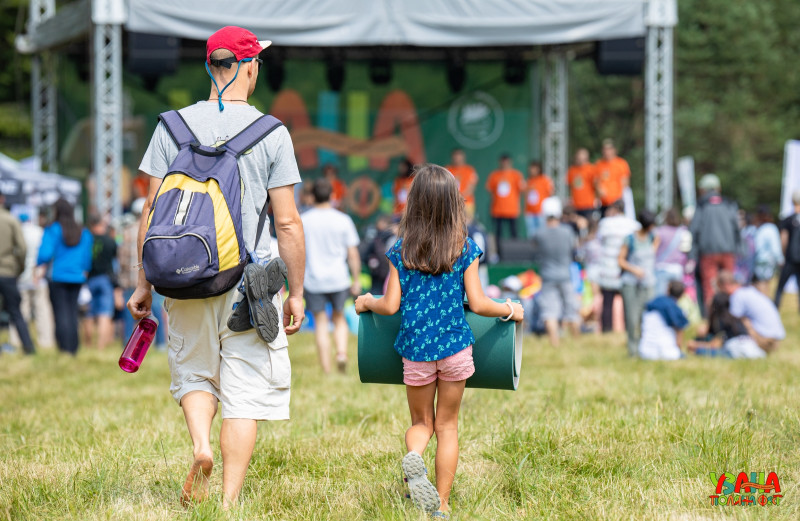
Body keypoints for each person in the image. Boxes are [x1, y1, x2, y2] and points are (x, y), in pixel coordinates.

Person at [127, 26, 306, 509]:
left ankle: (201, 447)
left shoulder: (171, 126)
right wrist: (297, 293)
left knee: (195, 374)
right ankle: (227, 503)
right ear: (250, 67)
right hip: (246, 285)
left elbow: (150, 212)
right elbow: (287, 223)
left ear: (210, 66)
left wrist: (145, 283)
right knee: (244, 391)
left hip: (181, 280)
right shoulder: (272, 133)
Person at [355, 164, 524, 518]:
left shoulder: (401, 249)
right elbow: (478, 303)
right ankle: (442, 504)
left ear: (413, 203)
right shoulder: (465, 247)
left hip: (415, 351)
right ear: (454, 204)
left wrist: (366, 302)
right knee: (447, 426)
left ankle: (414, 457)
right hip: (455, 349)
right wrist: (509, 309)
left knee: (422, 424)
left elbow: (390, 306)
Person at [302, 178, 361, 374]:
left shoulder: (304, 220)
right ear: (333, 196)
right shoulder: (343, 220)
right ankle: (342, 353)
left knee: (320, 322)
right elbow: (352, 253)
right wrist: (357, 279)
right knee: (339, 318)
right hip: (339, 278)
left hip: (313, 280)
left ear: (311, 198)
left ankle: (327, 370)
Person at [37, 198, 93, 355]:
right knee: (73, 313)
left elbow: (45, 254)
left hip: (57, 277)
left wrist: (39, 262)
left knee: (60, 313)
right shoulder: (83, 231)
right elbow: (87, 257)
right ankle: (74, 348)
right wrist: (84, 270)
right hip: (77, 277)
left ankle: (64, 348)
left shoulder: (53, 229)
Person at [689, 173, 740, 311]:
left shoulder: (701, 205)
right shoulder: (729, 203)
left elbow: (694, 230)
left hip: (708, 252)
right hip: (728, 251)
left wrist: (692, 254)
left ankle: (712, 317)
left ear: (704, 189)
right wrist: (738, 248)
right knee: (729, 283)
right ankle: (732, 311)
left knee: (710, 286)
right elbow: (737, 227)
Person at [532, 197, 579, 346]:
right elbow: (574, 248)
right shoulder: (567, 231)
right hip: (565, 275)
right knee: (572, 309)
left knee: (549, 312)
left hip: (547, 276)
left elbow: (535, 250)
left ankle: (555, 343)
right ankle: (577, 342)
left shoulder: (539, 233)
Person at [10, 212, 55, 350]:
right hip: (39, 277)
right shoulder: (39, 232)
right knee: (42, 312)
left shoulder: (17, 231)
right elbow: (46, 254)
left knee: (20, 311)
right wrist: (40, 272)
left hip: (21, 277)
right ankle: (46, 341)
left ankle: (16, 340)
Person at [618, 210, 659, 356]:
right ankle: (633, 350)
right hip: (631, 283)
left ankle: (645, 347)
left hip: (648, 283)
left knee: (646, 317)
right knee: (632, 317)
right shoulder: (629, 239)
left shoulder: (654, 238)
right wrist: (634, 270)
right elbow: (621, 260)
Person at [596, 200, 640, 332]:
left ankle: (607, 330)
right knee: (628, 302)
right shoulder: (633, 225)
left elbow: (599, 242)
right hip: (626, 268)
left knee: (607, 303)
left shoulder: (605, 224)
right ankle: (628, 328)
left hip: (608, 268)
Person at [0, 191, 35, 355]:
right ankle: (28, 347)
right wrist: (19, 268)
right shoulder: (10, 220)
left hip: (7, 271)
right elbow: (22, 248)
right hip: (7, 272)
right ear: (3, 199)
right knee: (15, 311)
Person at [717, 271, 784, 353]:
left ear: (726, 285)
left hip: (764, 339)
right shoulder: (749, 290)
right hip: (776, 339)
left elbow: (732, 322)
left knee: (742, 320)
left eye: (720, 289)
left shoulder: (737, 296)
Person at [688, 293, 765, 359]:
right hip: (751, 347)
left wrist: (696, 345)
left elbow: (714, 345)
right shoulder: (735, 318)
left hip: (736, 350)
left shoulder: (721, 321)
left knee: (700, 351)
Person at [84, 214, 118, 350]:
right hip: (105, 279)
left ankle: (88, 345)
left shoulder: (86, 240)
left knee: (88, 313)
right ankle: (101, 346)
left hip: (89, 279)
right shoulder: (110, 241)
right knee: (104, 313)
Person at [638, 281, 689, 360]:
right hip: (666, 353)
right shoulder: (677, 310)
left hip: (644, 351)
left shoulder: (653, 303)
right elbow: (679, 332)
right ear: (682, 295)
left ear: (668, 290)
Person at [486, 154, 525, 240]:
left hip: (512, 209)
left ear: (510, 163)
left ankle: (515, 251)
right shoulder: (494, 175)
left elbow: (522, 189)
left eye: (507, 162)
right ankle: (498, 252)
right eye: (503, 162)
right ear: (500, 163)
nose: (505, 164)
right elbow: (490, 189)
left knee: (514, 232)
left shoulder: (516, 175)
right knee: (498, 233)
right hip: (498, 209)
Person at [654, 208, 691, 297]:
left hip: (662, 267)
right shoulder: (683, 231)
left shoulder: (660, 231)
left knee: (661, 298)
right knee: (676, 298)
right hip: (677, 268)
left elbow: (653, 250)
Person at [775, 189, 800, 309]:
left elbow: (783, 239)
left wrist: (783, 254)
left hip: (790, 258)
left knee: (780, 287)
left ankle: (775, 307)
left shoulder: (788, 219)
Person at [360, 214, 397, 294]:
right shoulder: (394, 238)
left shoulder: (378, 237)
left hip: (378, 272)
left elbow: (365, 254)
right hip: (388, 272)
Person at [594, 139, 630, 214]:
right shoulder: (599, 164)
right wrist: (599, 190)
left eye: (609, 149)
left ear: (614, 150)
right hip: (603, 202)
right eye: (605, 149)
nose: (607, 152)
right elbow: (596, 181)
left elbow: (625, 182)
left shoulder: (621, 163)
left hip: (617, 202)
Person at [752, 206, 783, 295]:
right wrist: (780, 260)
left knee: (758, 284)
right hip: (767, 262)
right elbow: (775, 247)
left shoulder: (757, 228)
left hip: (757, 260)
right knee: (764, 285)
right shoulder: (771, 228)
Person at [523, 161, 554, 238]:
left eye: (534, 168)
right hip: (530, 211)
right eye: (531, 168)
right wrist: (529, 189)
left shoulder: (544, 180)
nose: (532, 170)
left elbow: (551, 192)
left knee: (542, 233)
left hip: (541, 211)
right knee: (531, 233)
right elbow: (524, 194)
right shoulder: (528, 181)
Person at [445, 148, 478, 217]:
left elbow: (471, 188)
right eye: (455, 157)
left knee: (467, 226)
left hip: (467, 203)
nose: (457, 159)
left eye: (459, 157)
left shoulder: (469, 170)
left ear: (463, 157)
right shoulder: (447, 170)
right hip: (451, 204)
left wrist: (459, 197)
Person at [567, 148, 597, 220]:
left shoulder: (591, 169)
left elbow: (596, 185)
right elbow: (570, 186)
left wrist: (597, 198)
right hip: (575, 205)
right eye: (578, 156)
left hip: (588, 204)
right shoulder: (572, 170)